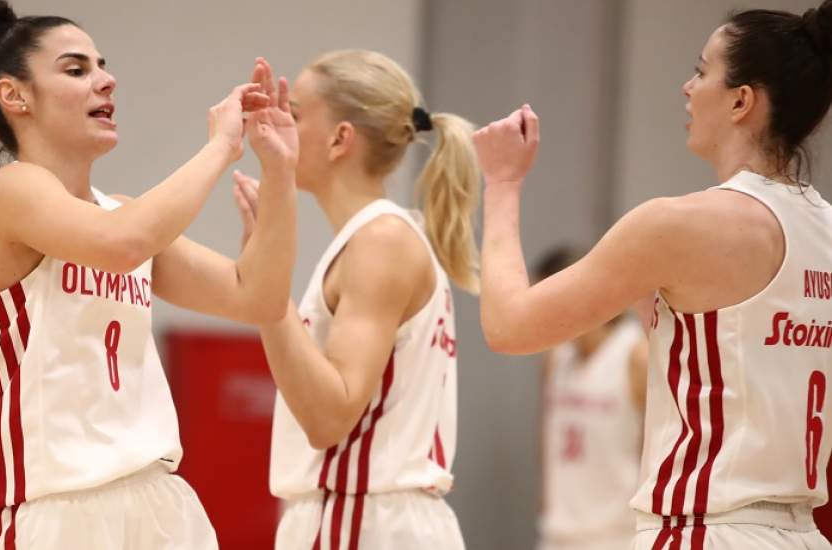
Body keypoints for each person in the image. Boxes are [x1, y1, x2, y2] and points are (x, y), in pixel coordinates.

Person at [474, 2, 832, 548]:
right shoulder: (824, 230)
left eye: (701, 71)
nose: (687, 87)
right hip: (801, 533)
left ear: (741, 101)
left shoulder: (681, 224)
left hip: (706, 529)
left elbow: (508, 326)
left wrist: (502, 185)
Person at [0, 1, 298, 548]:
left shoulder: (121, 212)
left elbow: (258, 298)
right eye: (76, 69)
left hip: (156, 498)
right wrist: (220, 147)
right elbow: (121, 245)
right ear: (14, 95)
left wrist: (279, 169)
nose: (106, 80)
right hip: (49, 508)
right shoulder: (9, 193)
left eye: (102, 66)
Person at [235, 48, 478, 549]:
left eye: (294, 113)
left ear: (340, 139)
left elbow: (330, 416)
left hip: (361, 519)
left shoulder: (380, 241)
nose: (280, 121)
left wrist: (267, 285)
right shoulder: (379, 237)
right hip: (377, 520)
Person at [533, 246, 647, 550]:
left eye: (545, 301)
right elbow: (548, 443)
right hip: (558, 534)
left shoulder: (635, 355)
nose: (538, 313)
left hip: (618, 536)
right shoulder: (555, 357)